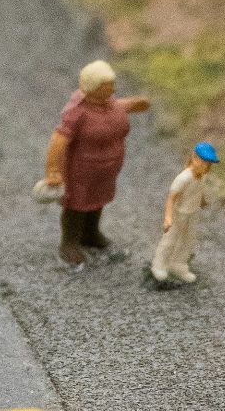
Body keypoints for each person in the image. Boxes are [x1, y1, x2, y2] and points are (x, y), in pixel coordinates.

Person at [39, 60, 152, 266]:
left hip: (105, 170)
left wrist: (135, 104)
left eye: (112, 85)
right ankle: (69, 243)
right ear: (93, 88)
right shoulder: (77, 112)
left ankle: (91, 233)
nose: (112, 89)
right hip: (80, 171)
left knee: (97, 201)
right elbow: (59, 139)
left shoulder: (109, 103)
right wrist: (53, 170)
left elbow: (118, 107)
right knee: (77, 205)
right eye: (107, 86)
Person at [151, 142, 218, 284]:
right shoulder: (184, 178)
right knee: (171, 238)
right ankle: (159, 264)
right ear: (194, 158)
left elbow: (200, 190)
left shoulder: (202, 176)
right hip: (179, 213)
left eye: (208, 164)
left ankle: (178, 263)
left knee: (188, 239)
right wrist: (168, 217)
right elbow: (171, 198)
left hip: (192, 212)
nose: (205, 166)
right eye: (203, 162)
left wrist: (203, 201)